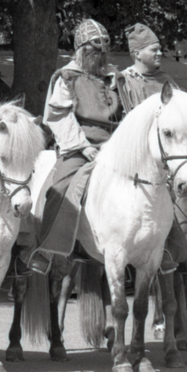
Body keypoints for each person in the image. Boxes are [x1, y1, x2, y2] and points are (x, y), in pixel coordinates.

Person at [29, 19, 122, 272]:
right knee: (61, 184)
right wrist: (83, 147)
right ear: (82, 49)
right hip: (80, 145)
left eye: (104, 50)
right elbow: (59, 116)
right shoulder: (67, 77)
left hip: (116, 145)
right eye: (95, 50)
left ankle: (163, 246)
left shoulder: (114, 78)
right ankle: (48, 249)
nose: (101, 55)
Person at [117, 23, 176, 111]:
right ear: (138, 54)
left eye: (159, 49)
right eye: (154, 50)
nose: (160, 53)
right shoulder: (123, 81)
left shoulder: (166, 80)